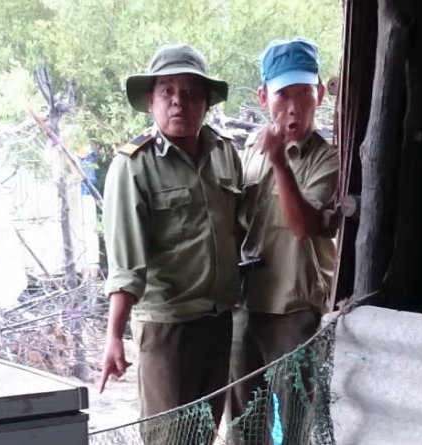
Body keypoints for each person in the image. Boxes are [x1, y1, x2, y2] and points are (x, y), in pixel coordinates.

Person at [98, 43, 243, 437]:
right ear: (151, 101)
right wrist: (113, 337)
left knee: (205, 432)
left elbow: (239, 230)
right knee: (170, 436)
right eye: (168, 91)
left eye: (191, 93)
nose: (179, 101)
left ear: (206, 103)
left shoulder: (224, 153)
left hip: (218, 321)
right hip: (168, 328)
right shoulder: (133, 166)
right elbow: (126, 265)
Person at [229, 38, 340, 436]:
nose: (293, 107)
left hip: (295, 311)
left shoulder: (329, 159)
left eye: (303, 93)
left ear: (319, 94)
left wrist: (279, 161)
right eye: (283, 95)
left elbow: (304, 226)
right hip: (246, 308)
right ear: (263, 97)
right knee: (244, 427)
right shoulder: (249, 151)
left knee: (296, 426)